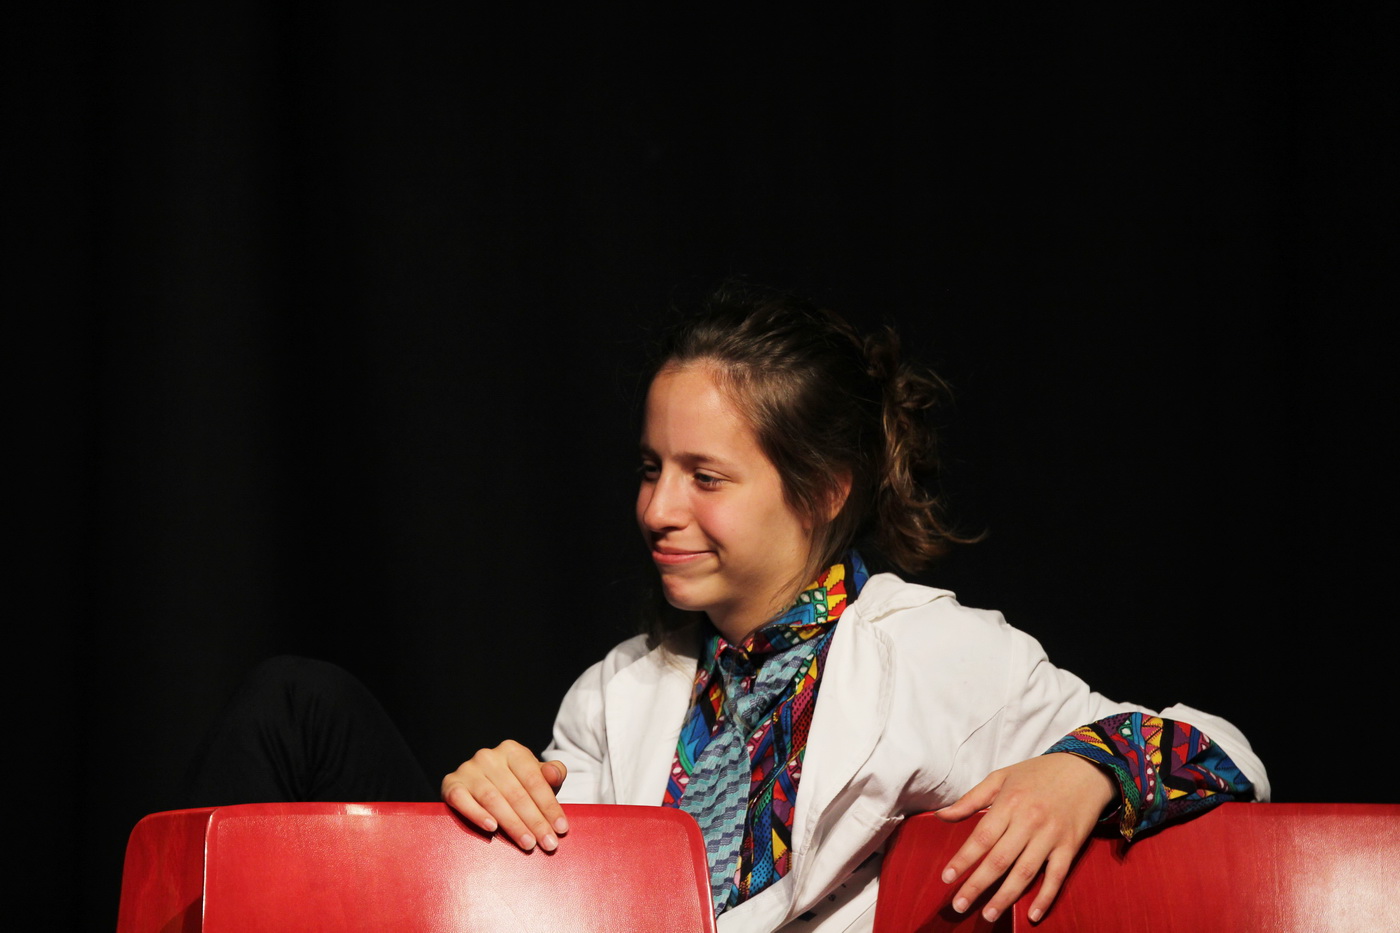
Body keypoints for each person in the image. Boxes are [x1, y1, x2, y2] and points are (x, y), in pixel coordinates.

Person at [440, 282, 1267, 931]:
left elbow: (1227, 757)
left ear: (824, 489)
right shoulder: (615, 691)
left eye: (706, 477)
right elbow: (559, 889)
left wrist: (1090, 768)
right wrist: (498, 797)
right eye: (651, 468)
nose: (657, 508)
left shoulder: (936, 653)